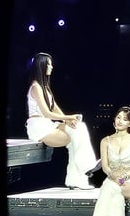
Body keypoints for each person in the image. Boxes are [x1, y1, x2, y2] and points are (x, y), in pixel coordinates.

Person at [24, 52, 99, 189]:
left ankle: (78, 177)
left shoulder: (45, 87)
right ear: (41, 66)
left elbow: (55, 108)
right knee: (75, 137)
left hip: (47, 124)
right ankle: (85, 168)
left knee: (79, 127)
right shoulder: (36, 87)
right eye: (49, 64)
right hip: (39, 127)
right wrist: (68, 118)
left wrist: (67, 121)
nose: (52, 67)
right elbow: (47, 113)